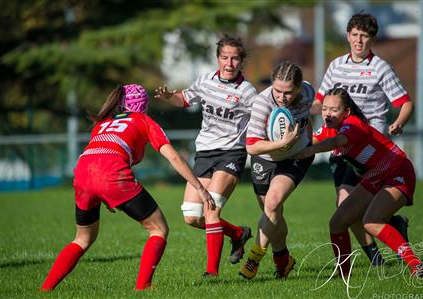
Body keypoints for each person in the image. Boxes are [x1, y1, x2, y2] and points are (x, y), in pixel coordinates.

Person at [40, 84, 216, 291]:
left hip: (82, 175)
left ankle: (45, 289)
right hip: (111, 176)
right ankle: (143, 286)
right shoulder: (144, 120)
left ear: (121, 103)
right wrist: (200, 189)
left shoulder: (103, 123)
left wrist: (104, 193)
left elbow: (99, 157)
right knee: (158, 229)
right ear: (144, 105)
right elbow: (174, 157)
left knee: (82, 238)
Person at [294, 87, 423, 278]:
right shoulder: (329, 126)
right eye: (325, 108)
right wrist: (290, 141)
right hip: (375, 175)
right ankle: (344, 276)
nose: (327, 114)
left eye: (334, 110)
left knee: (371, 221)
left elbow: (337, 142)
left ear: (347, 112)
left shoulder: (353, 125)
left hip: (397, 170)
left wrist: (309, 151)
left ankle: (417, 265)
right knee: (337, 223)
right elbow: (311, 141)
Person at [310, 12, 414, 265]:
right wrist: (299, 113)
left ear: (372, 39)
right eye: (355, 35)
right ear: (348, 36)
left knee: (350, 205)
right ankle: (380, 250)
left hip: (369, 148)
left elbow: (405, 103)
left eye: (364, 36)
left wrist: (399, 122)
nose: (359, 41)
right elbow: (320, 101)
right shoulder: (336, 65)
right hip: (341, 147)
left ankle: (380, 250)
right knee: (345, 207)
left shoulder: (379, 68)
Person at [154, 35, 257, 276]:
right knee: (192, 217)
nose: (229, 63)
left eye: (234, 58)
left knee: (211, 210)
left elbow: (262, 117)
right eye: (224, 58)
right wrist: (171, 97)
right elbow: (185, 99)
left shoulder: (247, 92)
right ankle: (238, 233)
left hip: (232, 153)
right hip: (205, 153)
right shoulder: (205, 81)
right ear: (217, 58)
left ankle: (211, 273)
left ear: (241, 62)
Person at [239, 61, 315, 279]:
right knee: (272, 213)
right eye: (277, 90)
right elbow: (252, 145)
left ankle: (254, 258)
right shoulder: (262, 103)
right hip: (264, 157)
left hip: (296, 156)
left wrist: (310, 139)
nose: (282, 97)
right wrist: (282, 143)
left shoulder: (308, 92)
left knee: (272, 203)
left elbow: (313, 111)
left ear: (299, 88)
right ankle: (283, 260)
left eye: (288, 92)